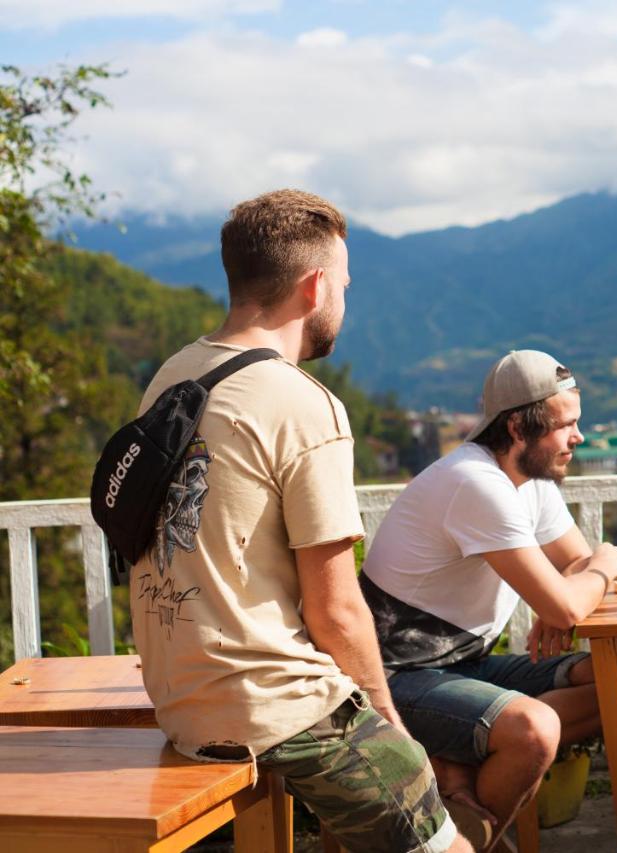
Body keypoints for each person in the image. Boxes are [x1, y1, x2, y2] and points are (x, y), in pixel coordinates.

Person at [130, 189, 468, 853]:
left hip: (180, 701)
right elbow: (336, 609)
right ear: (314, 287)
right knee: (431, 818)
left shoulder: (173, 376)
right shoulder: (303, 404)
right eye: (344, 282)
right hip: (272, 701)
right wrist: (391, 726)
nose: (344, 297)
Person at [359, 350, 617, 839]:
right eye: (565, 425)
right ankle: (462, 840)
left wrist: (568, 589)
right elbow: (577, 586)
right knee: (534, 731)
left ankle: (458, 774)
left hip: (461, 665)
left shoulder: (528, 482)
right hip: (394, 680)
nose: (578, 437)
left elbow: (572, 570)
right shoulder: (475, 483)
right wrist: (594, 573)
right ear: (518, 429)